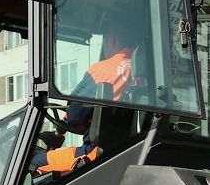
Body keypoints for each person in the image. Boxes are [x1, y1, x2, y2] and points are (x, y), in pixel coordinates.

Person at [31, 33, 137, 176]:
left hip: (99, 152)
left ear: (112, 40)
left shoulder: (101, 70)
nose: (104, 49)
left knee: (33, 161)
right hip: (132, 145)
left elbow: (76, 116)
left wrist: (62, 128)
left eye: (104, 43)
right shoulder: (147, 71)